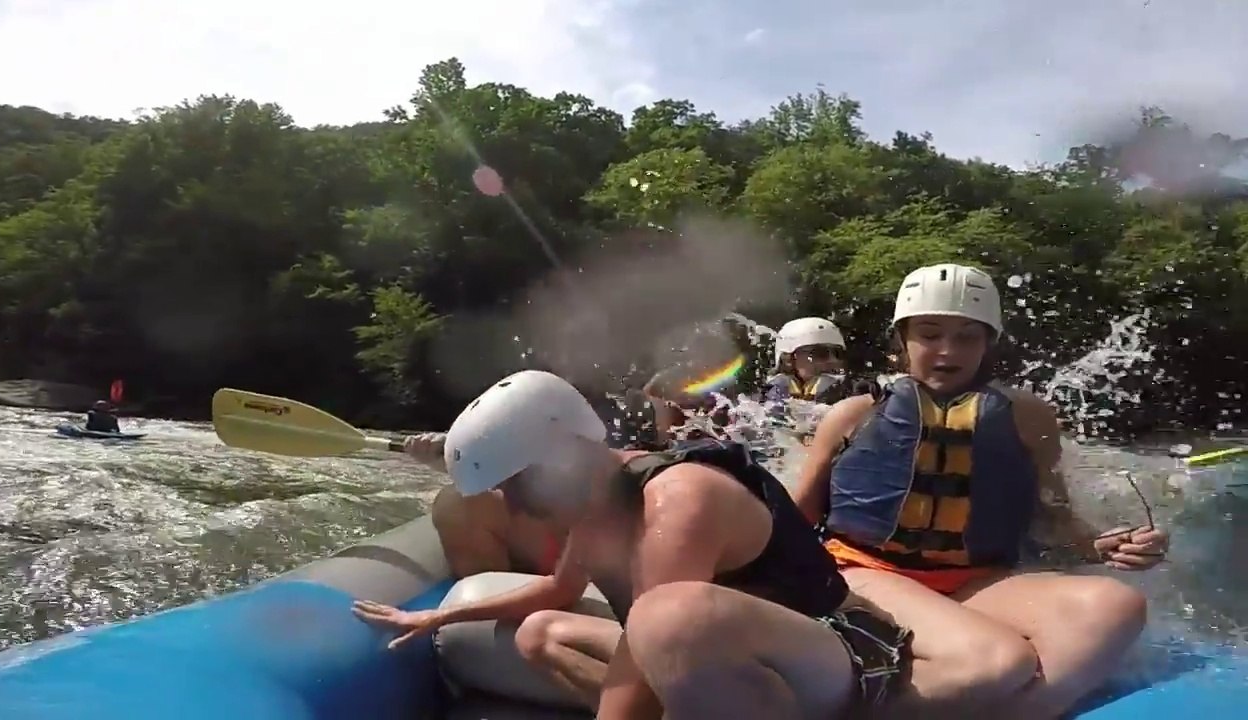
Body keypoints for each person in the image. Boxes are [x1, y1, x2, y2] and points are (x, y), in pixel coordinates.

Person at [353, 370, 913, 719]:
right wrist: (439, 619)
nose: (518, 508)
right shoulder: (595, 505)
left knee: (667, 622)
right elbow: (558, 588)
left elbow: (652, 638)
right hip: (736, 665)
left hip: (843, 659)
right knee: (540, 635)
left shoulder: (678, 497)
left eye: (517, 485)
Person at [793, 262, 1168, 719]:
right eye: (929, 334)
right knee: (999, 662)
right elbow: (797, 519)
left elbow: (1053, 514)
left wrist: (1104, 544)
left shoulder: (1029, 417)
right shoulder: (853, 414)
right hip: (869, 572)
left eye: (968, 336)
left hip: (974, 582)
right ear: (901, 340)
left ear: (989, 342)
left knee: (1116, 606)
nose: (948, 351)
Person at [402, 432, 566, 578]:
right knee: (455, 501)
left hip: (577, 550)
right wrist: (455, 452)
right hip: (547, 543)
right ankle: (495, 595)